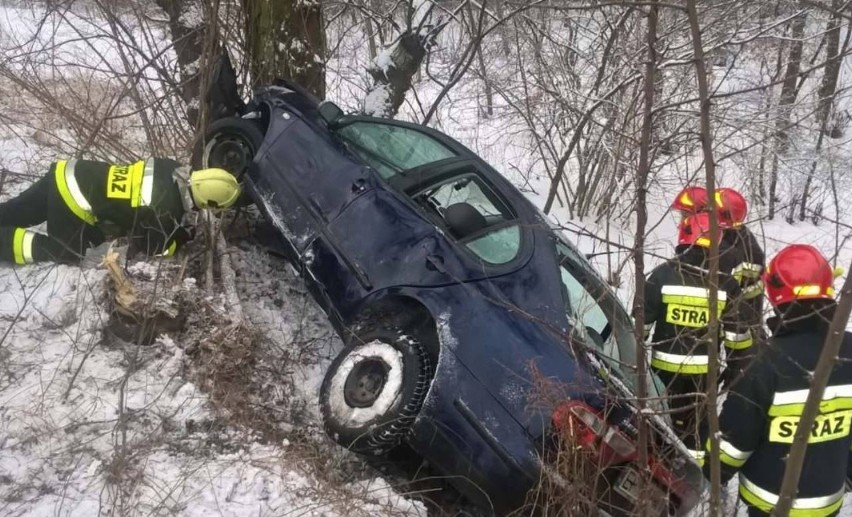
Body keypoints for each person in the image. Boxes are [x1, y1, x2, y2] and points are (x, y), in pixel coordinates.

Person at [707, 244, 852, 517]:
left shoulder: (764, 364)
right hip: (828, 503)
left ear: (776, 296)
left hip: (768, 504)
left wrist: (710, 470)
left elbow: (733, 445)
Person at [644, 212, 749, 463]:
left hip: (662, 376)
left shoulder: (662, 275)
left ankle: (653, 471)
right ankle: (695, 477)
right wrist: (735, 371)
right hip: (704, 378)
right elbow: (737, 338)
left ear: (684, 238)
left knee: (657, 426)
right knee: (698, 434)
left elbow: (640, 326)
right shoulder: (726, 283)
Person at [0, 157, 240, 265]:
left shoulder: (171, 166)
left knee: (20, 210)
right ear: (207, 202)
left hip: (70, 172)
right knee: (66, 253)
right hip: (76, 197)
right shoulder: (166, 211)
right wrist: (182, 236)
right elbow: (153, 248)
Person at [715, 187, 765, 383]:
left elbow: (735, 296)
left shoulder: (732, 248)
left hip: (741, 323)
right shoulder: (742, 239)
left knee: (743, 377)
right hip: (743, 322)